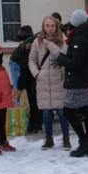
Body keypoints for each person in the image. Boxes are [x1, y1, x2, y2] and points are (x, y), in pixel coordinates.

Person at [61, 9, 88, 157]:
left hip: (78, 80)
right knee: (86, 108)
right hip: (83, 79)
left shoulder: (79, 39)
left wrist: (61, 59)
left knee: (68, 111)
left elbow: (76, 63)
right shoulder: (85, 35)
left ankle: (85, 141)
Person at [31, 15, 71, 150]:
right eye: (47, 25)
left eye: (52, 26)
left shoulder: (64, 41)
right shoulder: (37, 41)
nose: (49, 28)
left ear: (57, 27)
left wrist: (50, 44)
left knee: (62, 112)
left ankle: (66, 138)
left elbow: (61, 57)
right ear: (43, 27)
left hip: (58, 81)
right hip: (43, 82)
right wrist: (37, 74)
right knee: (46, 112)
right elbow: (31, 60)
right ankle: (49, 139)